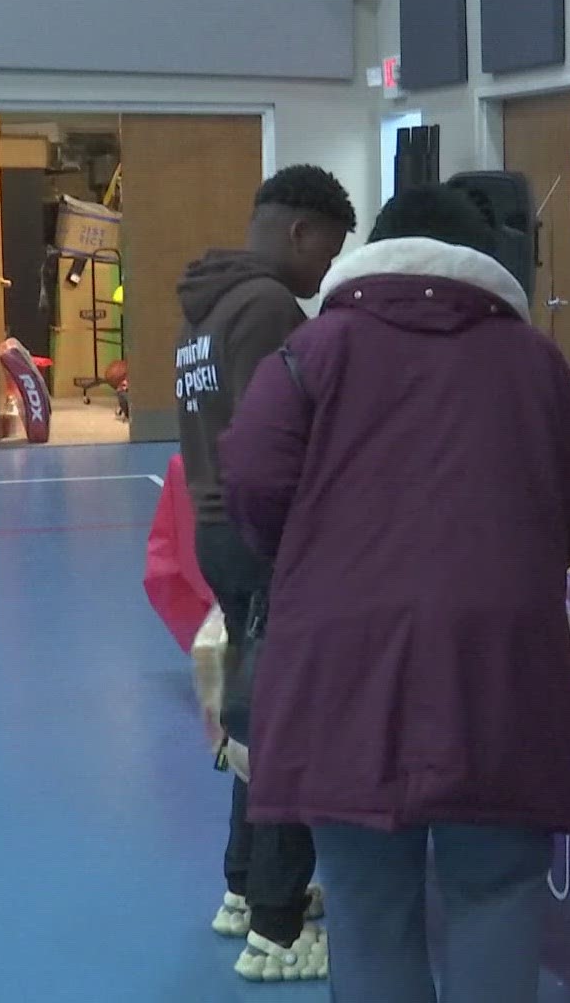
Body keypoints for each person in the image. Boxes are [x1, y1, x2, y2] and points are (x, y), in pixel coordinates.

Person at [219, 184, 570, 1003]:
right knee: (496, 888)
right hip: (499, 662)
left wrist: (320, 562)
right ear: (485, 263)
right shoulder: (533, 358)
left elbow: (251, 483)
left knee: (367, 904)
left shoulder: (312, 351)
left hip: (340, 661)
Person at [174, 163, 357, 981]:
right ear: (299, 233)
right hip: (261, 535)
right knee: (291, 724)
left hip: (213, 531)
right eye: (329, 250)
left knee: (254, 718)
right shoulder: (273, 309)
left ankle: (246, 888)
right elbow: (275, 443)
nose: (327, 272)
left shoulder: (208, 310)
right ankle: (279, 930)